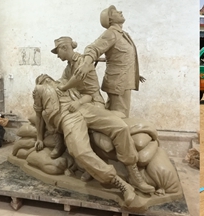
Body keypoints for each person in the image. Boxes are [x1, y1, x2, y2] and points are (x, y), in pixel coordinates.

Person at [51, 36, 154, 193]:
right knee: (78, 144)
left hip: (92, 103)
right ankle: (90, 167)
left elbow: (79, 87)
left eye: (57, 51)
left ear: (65, 48)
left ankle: (134, 174)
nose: (57, 55)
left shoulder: (82, 63)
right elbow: (62, 82)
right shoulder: (68, 67)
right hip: (77, 108)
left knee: (120, 127)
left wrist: (65, 90)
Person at [32, 74, 137, 205]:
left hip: (84, 107)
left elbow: (88, 95)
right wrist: (39, 138)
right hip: (67, 115)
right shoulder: (39, 89)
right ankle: (121, 184)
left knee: (120, 126)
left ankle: (133, 172)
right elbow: (38, 115)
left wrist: (79, 102)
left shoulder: (65, 82)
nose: (44, 76)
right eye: (41, 77)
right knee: (80, 151)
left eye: (46, 76)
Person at [81, 5, 145, 118]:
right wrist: (86, 64)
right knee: (121, 114)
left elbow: (122, 57)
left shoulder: (123, 34)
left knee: (118, 112)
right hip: (118, 82)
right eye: (115, 12)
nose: (120, 11)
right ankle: (96, 122)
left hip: (125, 80)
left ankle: (103, 129)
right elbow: (93, 48)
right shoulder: (111, 33)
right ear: (110, 20)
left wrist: (134, 73)